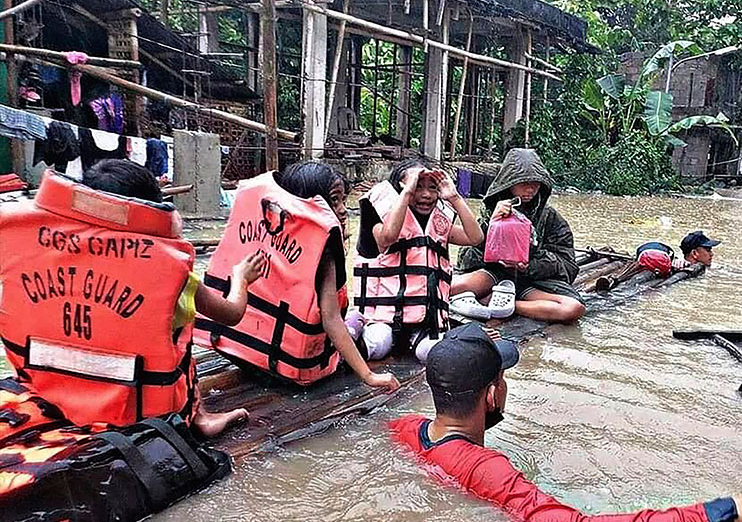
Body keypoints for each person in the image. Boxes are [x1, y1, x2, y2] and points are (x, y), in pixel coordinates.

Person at [391, 322, 742, 522]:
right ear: (490, 395)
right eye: (503, 380)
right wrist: (725, 512)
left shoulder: (406, 429)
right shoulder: (488, 469)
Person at [0, 160, 254, 437]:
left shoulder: (28, 246)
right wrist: (241, 277)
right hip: (138, 413)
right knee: (179, 330)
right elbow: (231, 314)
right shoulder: (170, 269)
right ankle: (199, 418)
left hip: (46, 394)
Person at [195, 161, 399, 391]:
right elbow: (331, 320)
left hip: (238, 350)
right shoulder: (323, 250)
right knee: (359, 322)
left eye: (343, 200)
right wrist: (369, 376)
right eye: (334, 200)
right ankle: (358, 323)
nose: (343, 209)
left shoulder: (261, 225)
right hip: (292, 369)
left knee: (353, 319)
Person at [352, 159, 483, 363]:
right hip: (384, 319)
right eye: (417, 187)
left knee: (433, 353)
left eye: (432, 188)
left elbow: (475, 238)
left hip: (425, 322)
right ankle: (352, 330)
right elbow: (387, 238)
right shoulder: (380, 219)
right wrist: (406, 193)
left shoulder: (440, 224)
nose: (426, 195)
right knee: (377, 344)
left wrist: (454, 197)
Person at [451, 148, 585, 324]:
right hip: (493, 275)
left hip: (531, 283)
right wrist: (491, 225)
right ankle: (494, 299)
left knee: (573, 309)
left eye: (536, 184)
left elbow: (568, 264)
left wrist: (528, 265)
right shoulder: (492, 210)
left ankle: (502, 304)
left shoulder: (550, 218)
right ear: (509, 183)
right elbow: (466, 257)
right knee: (447, 288)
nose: (530, 189)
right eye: (524, 183)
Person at [595, 231, 721, 292]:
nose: (711, 254)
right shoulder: (676, 265)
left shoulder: (677, 263)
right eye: (708, 250)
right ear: (694, 253)